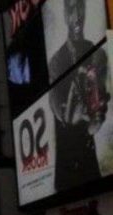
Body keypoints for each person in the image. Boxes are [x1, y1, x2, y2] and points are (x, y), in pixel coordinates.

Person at [48, 0, 109, 192]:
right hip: (66, 173)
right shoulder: (56, 62)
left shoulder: (98, 54)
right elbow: (63, 115)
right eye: (72, 8)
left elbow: (96, 117)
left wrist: (96, 117)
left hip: (91, 172)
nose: (78, 15)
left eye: (81, 6)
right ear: (65, 13)